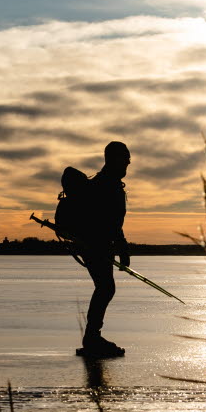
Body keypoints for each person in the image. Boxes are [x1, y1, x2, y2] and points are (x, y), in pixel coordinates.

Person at [76, 141, 131, 358]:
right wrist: (122, 247)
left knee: (105, 288)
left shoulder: (109, 182)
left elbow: (113, 222)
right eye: (125, 157)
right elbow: (110, 221)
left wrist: (119, 246)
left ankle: (92, 337)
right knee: (105, 288)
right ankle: (92, 338)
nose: (128, 162)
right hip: (95, 245)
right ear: (113, 158)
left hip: (98, 245)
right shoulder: (106, 184)